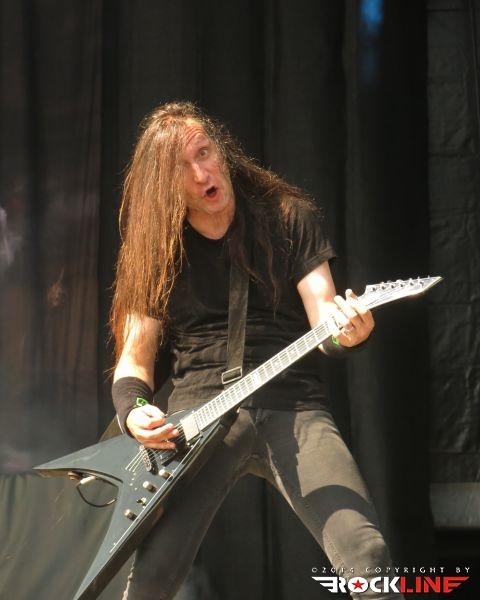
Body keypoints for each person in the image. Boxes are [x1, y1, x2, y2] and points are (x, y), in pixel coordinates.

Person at [110, 101, 403, 600]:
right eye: (183, 167)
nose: (202, 173)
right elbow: (134, 361)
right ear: (164, 187)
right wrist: (135, 411)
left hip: (291, 401)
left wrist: (347, 333)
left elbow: (326, 319)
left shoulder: (288, 217)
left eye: (205, 153)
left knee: (367, 554)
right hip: (196, 416)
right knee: (150, 576)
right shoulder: (155, 248)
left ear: (222, 150)